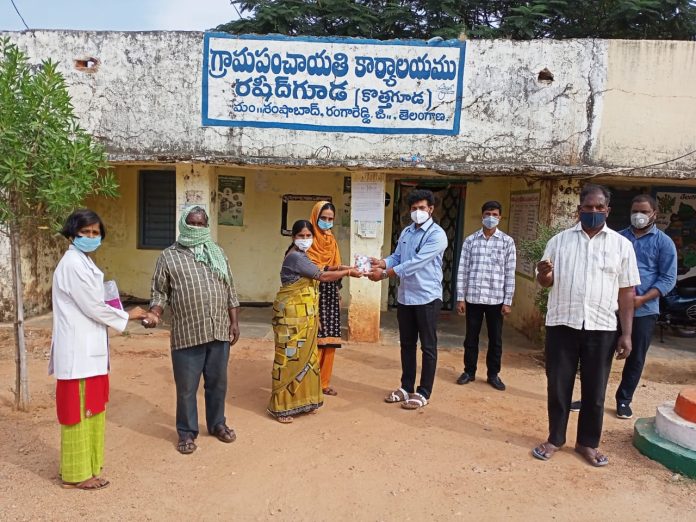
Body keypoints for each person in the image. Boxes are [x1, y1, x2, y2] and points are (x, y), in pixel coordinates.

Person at [532, 184, 640, 467]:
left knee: (595, 390)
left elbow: (627, 291)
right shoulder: (558, 242)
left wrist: (626, 333)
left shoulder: (621, 245)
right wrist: (544, 275)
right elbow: (545, 281)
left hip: (602, 326)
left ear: (607, 210)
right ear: (578, 209)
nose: (593, 212)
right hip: (562, 324)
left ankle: (588, 443)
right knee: (558, 386)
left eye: (598, 208)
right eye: (587, 207)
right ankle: (555, 439)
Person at [50, 209, 148, 490]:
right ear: (72, 234)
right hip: (77, 353)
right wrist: (129, 314)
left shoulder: (83, 262)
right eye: (86, 232)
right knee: (78, 413)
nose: (92, 237)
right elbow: (93, 307)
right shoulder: (73, 265)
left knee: (91, 410)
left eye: (96, 233)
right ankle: (76, 474)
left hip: (88, 350)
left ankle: (88, 467)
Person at [143, 206, 240, 455]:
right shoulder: (169, 256)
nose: (196, 228)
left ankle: (217, 423)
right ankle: (186, 432)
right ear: (183, 224)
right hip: (188, 332)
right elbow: (159, 292)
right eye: (192, 223)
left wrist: (234, 321)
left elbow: (230, 290)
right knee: (187, 387)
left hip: (218, 330)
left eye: (200, 224)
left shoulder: (218, 253)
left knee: (218, 383)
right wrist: (154, 313)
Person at [569, 195, 677, 418]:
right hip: (612, 308)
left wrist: (643, 299)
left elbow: (668, 278)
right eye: (635, 210)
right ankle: (590, 398)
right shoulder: (617, 238)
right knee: (599, 355)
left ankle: (624, 400)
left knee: (635, 357)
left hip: (644, 310)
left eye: (644, 211)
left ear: (654, 214)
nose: (639, 215)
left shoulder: (664, 243)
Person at [269, 220, 362, 423]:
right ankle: (281, 407)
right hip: (292, 316)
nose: (305, 240)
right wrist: (347, 272)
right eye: (301, 236)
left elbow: (321, 267)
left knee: (306, 357)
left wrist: (343, 266)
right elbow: (321, 275)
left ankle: (303, 401)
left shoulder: (302, 256)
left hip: (306, 315)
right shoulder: (294, 257)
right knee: (289, 358)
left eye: (308, 236)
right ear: (293, 237)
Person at [369, 189, 448, 410]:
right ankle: (406, 387)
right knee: (406, 344)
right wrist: (382, 262)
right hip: (406, 296)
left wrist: (385, 274)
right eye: (414, 209)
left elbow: (416, 262)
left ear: (431, 209)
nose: (417, 212)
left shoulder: (437, 235)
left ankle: (424, 392)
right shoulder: (406, 232)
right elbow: (398, 256)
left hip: (427, 296)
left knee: (428, 347)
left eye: (422, 208)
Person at [455, 201, 516, 391]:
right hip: (473, 297)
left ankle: (493, 374)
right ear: (482, 216)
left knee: (495, 339)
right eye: (488, 213)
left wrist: (508, 301)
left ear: (500, 217)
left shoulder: (507, 242)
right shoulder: (470, 241)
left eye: (495, 214)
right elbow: (462, 269)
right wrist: (460, 297)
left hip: (496, 300)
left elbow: (509, 272)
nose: (491, 217)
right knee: (470, 337)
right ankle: (469, 371)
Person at [306, 201, 343, 396]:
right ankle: (310, 381)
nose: (327, 222)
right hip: (313, 291)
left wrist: (338, 291)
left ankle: (324, 382)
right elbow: (313, 269)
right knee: (315, 337)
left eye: (330, 219)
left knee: (330, 339)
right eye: (323, 218)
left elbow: (336, 265)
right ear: (315, 217)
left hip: (330, 293)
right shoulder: (307, 239)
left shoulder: (332, 241)